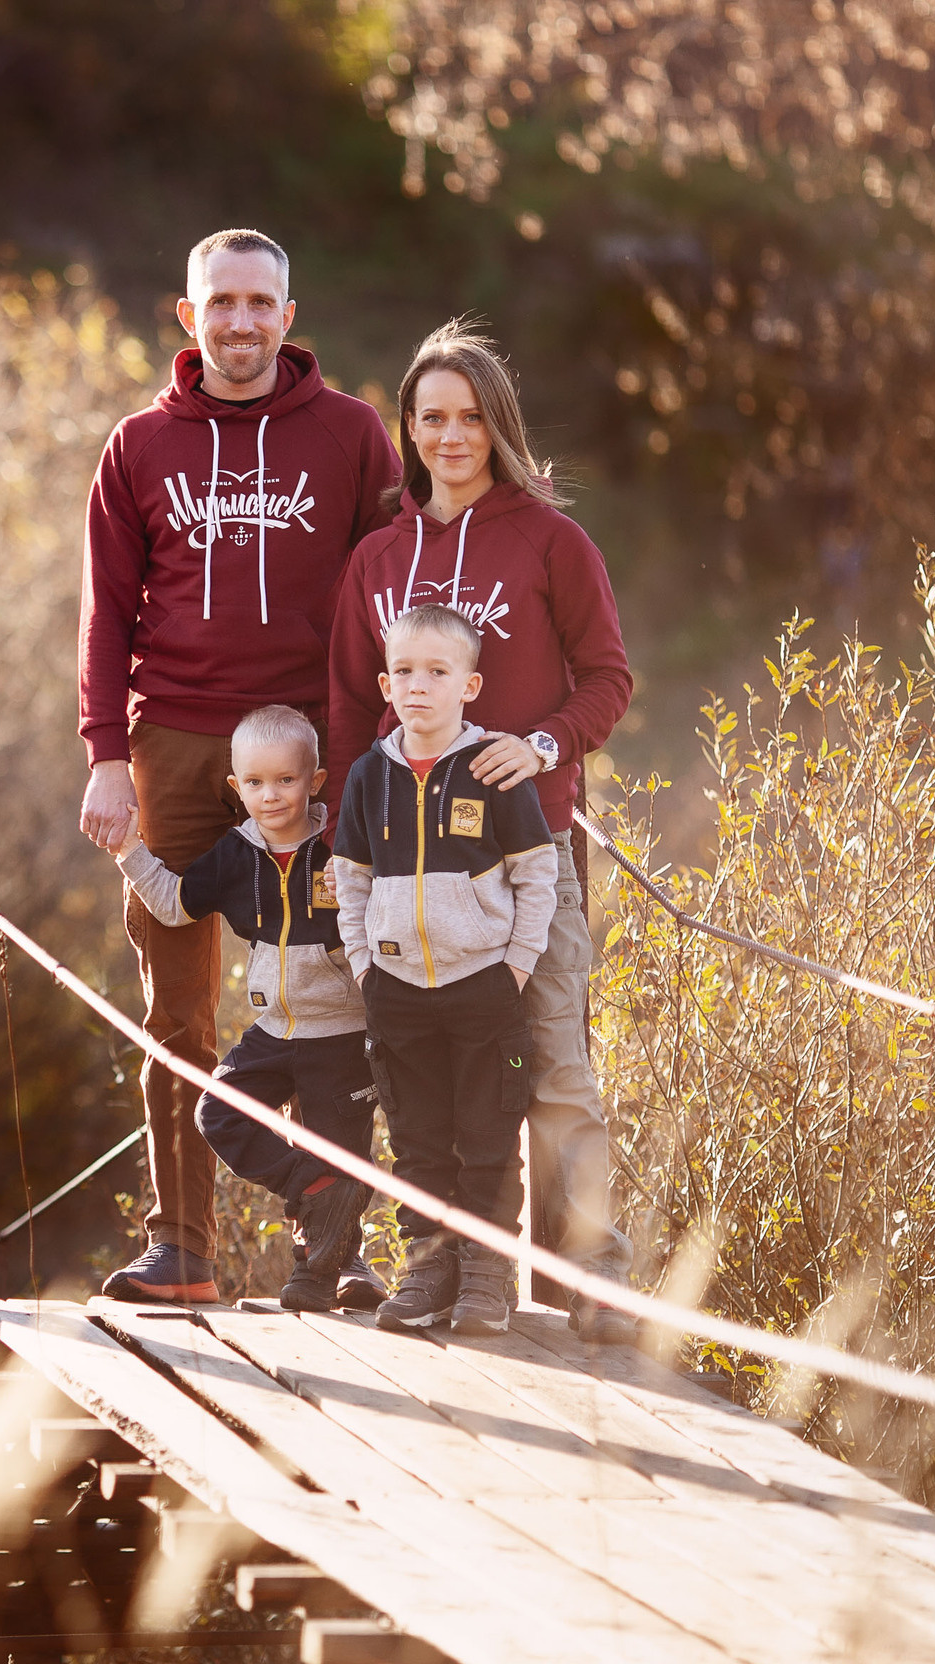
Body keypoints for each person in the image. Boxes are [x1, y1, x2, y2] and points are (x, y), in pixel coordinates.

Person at [79, 227, 401, 1304]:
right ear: (188, 317)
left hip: (306, 745)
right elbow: (104, 615)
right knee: (177, 1010)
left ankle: (335, 1251)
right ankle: (182, 1249)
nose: (241, 321)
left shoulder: (352, 435)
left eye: (260, 302)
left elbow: (397, 575)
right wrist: (106, 755)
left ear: (288, 317)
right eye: (221, 302)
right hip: (173, 741)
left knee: (329, 997)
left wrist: (372, 747)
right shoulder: (137, 447)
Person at [321, 320, 640, 1344]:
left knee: (554, 1064)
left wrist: (543, 747)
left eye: (469, 418)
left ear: (497, 425)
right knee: (422, 1082)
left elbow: (608, 679)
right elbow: (346, 708)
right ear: (409, 430)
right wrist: (343, 846)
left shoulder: (551, 541)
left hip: (525, 854)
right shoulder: (376, 558)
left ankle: (593, 1271)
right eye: (431, 418)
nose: (450, 437)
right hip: (408, 874)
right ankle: (450, 1266)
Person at [109, 704, 383, 1314]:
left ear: (315, 781)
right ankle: (309, 1187)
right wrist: (129, 849)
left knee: (343, 1152)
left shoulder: (341, 845)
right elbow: (174, 905)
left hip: (342, 1034)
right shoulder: (236, 855)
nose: (271, 795)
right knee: (218, 1112)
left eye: (286, 780)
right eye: (255, 782)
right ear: (236, 787)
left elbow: (393, 909)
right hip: (274, 1031)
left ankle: (327, 1274)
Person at [330, 603, 556, 1334]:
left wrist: (514, 967)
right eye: (403, 672)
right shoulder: (369, 776)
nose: (418, 685)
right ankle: (429, 1269)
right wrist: (365, 967)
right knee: (418, 1140)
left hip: (485, 987)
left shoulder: (492, 770)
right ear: (385, 685)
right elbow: (350, 880)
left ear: (470, 685)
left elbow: (537, 874)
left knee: (489, 1137)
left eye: (436, 671)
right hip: (397, 991)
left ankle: (487, 1276)